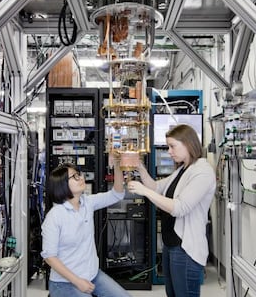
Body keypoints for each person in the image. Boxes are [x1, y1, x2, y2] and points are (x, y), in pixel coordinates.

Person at [127, 124, 216, 297]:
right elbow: (156, 187)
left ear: (188, 144)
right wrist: (140, 167)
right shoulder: (183, 169)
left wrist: (143, 191)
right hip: (171, 244)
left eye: (172, 146)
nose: (169, 151)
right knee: (172, 294)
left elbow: (179, 208)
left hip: (186, 248)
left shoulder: (202, 172)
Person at [41, 159, 131, 297]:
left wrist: (118, 166)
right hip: (64, 282)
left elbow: (116, 194)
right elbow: (49, 257)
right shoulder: (55, 217)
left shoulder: (87, 202)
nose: (81, 178)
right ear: (62, 185)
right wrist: (77, 281)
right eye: (75, 176)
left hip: (92, 274)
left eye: (80, 174)